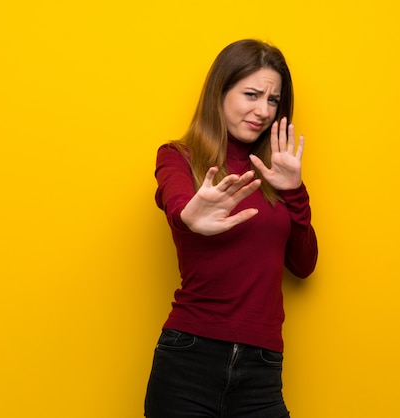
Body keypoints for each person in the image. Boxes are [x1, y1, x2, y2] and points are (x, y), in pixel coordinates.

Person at [144, 39, 318, 418]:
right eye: (251, 94)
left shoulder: (275, 172)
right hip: (189, 358)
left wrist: (294, 191)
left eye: (273, 100)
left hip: (262, 366)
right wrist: (189, 217)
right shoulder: (179, 158)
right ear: (219, 92)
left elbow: (304, 265)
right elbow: (177, 203)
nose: (263, 111)